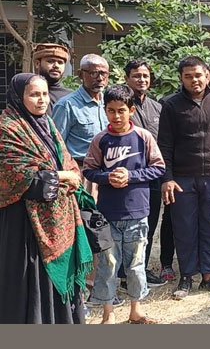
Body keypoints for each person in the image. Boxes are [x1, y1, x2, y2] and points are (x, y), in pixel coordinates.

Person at [0, 73, 92, 324]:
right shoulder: (7, 128)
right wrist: (63, 176)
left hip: (58, 217)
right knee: (29, 280)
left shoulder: (47, 124)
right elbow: (14, 173)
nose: (41, 100)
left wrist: (71, 174)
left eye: (44, 94)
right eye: (34, 94)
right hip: (23, 222)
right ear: (18, 97)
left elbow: (65, 158)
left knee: (56, 285)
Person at [158, 56, 210, 299]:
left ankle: (209, 276)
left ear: (207, 76)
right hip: (182, 180)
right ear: (181, 78)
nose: (194, 80)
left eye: (198, 75)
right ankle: (186, 277)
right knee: (184, 229)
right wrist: (167, 178)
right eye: (188, 76)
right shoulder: (171, 105)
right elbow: (165, 145)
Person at [83, 85, 165, 324]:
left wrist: (131, 176)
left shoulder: (143, 137)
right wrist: (107, 177)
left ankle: (136, 310)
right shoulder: (101, 139)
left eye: (121, 111)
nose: (116, 116)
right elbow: (89, 169)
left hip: (137, 212)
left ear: (131, 111)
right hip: (108, 213)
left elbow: (158, 167)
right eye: (111, 111)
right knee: (108, 264)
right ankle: (107, 313)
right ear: (105, 110)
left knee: (136, 263)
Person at [123, 60, 168, 287]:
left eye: (145, 76)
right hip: (129, 177)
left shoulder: (157, 107)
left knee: (149, 224)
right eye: (136, 75)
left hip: (154, 176)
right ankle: (124, 273)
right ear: (127, 78)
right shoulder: (120, 105)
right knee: (127, 226)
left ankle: (141, 268)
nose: (141, 80)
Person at [52, 54, 110, 170]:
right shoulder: (67, 105)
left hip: (107, 170)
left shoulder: (109, 103)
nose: (100, 78)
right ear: (80, 74)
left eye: (104, 74)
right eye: (94, 73)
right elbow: (56, 145)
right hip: (80, 169)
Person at [32, 43, 72, 115]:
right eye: (50, 61)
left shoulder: (71, 97)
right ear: (37, 64)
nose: (56, 66)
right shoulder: (26, 94)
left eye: (60, 62)